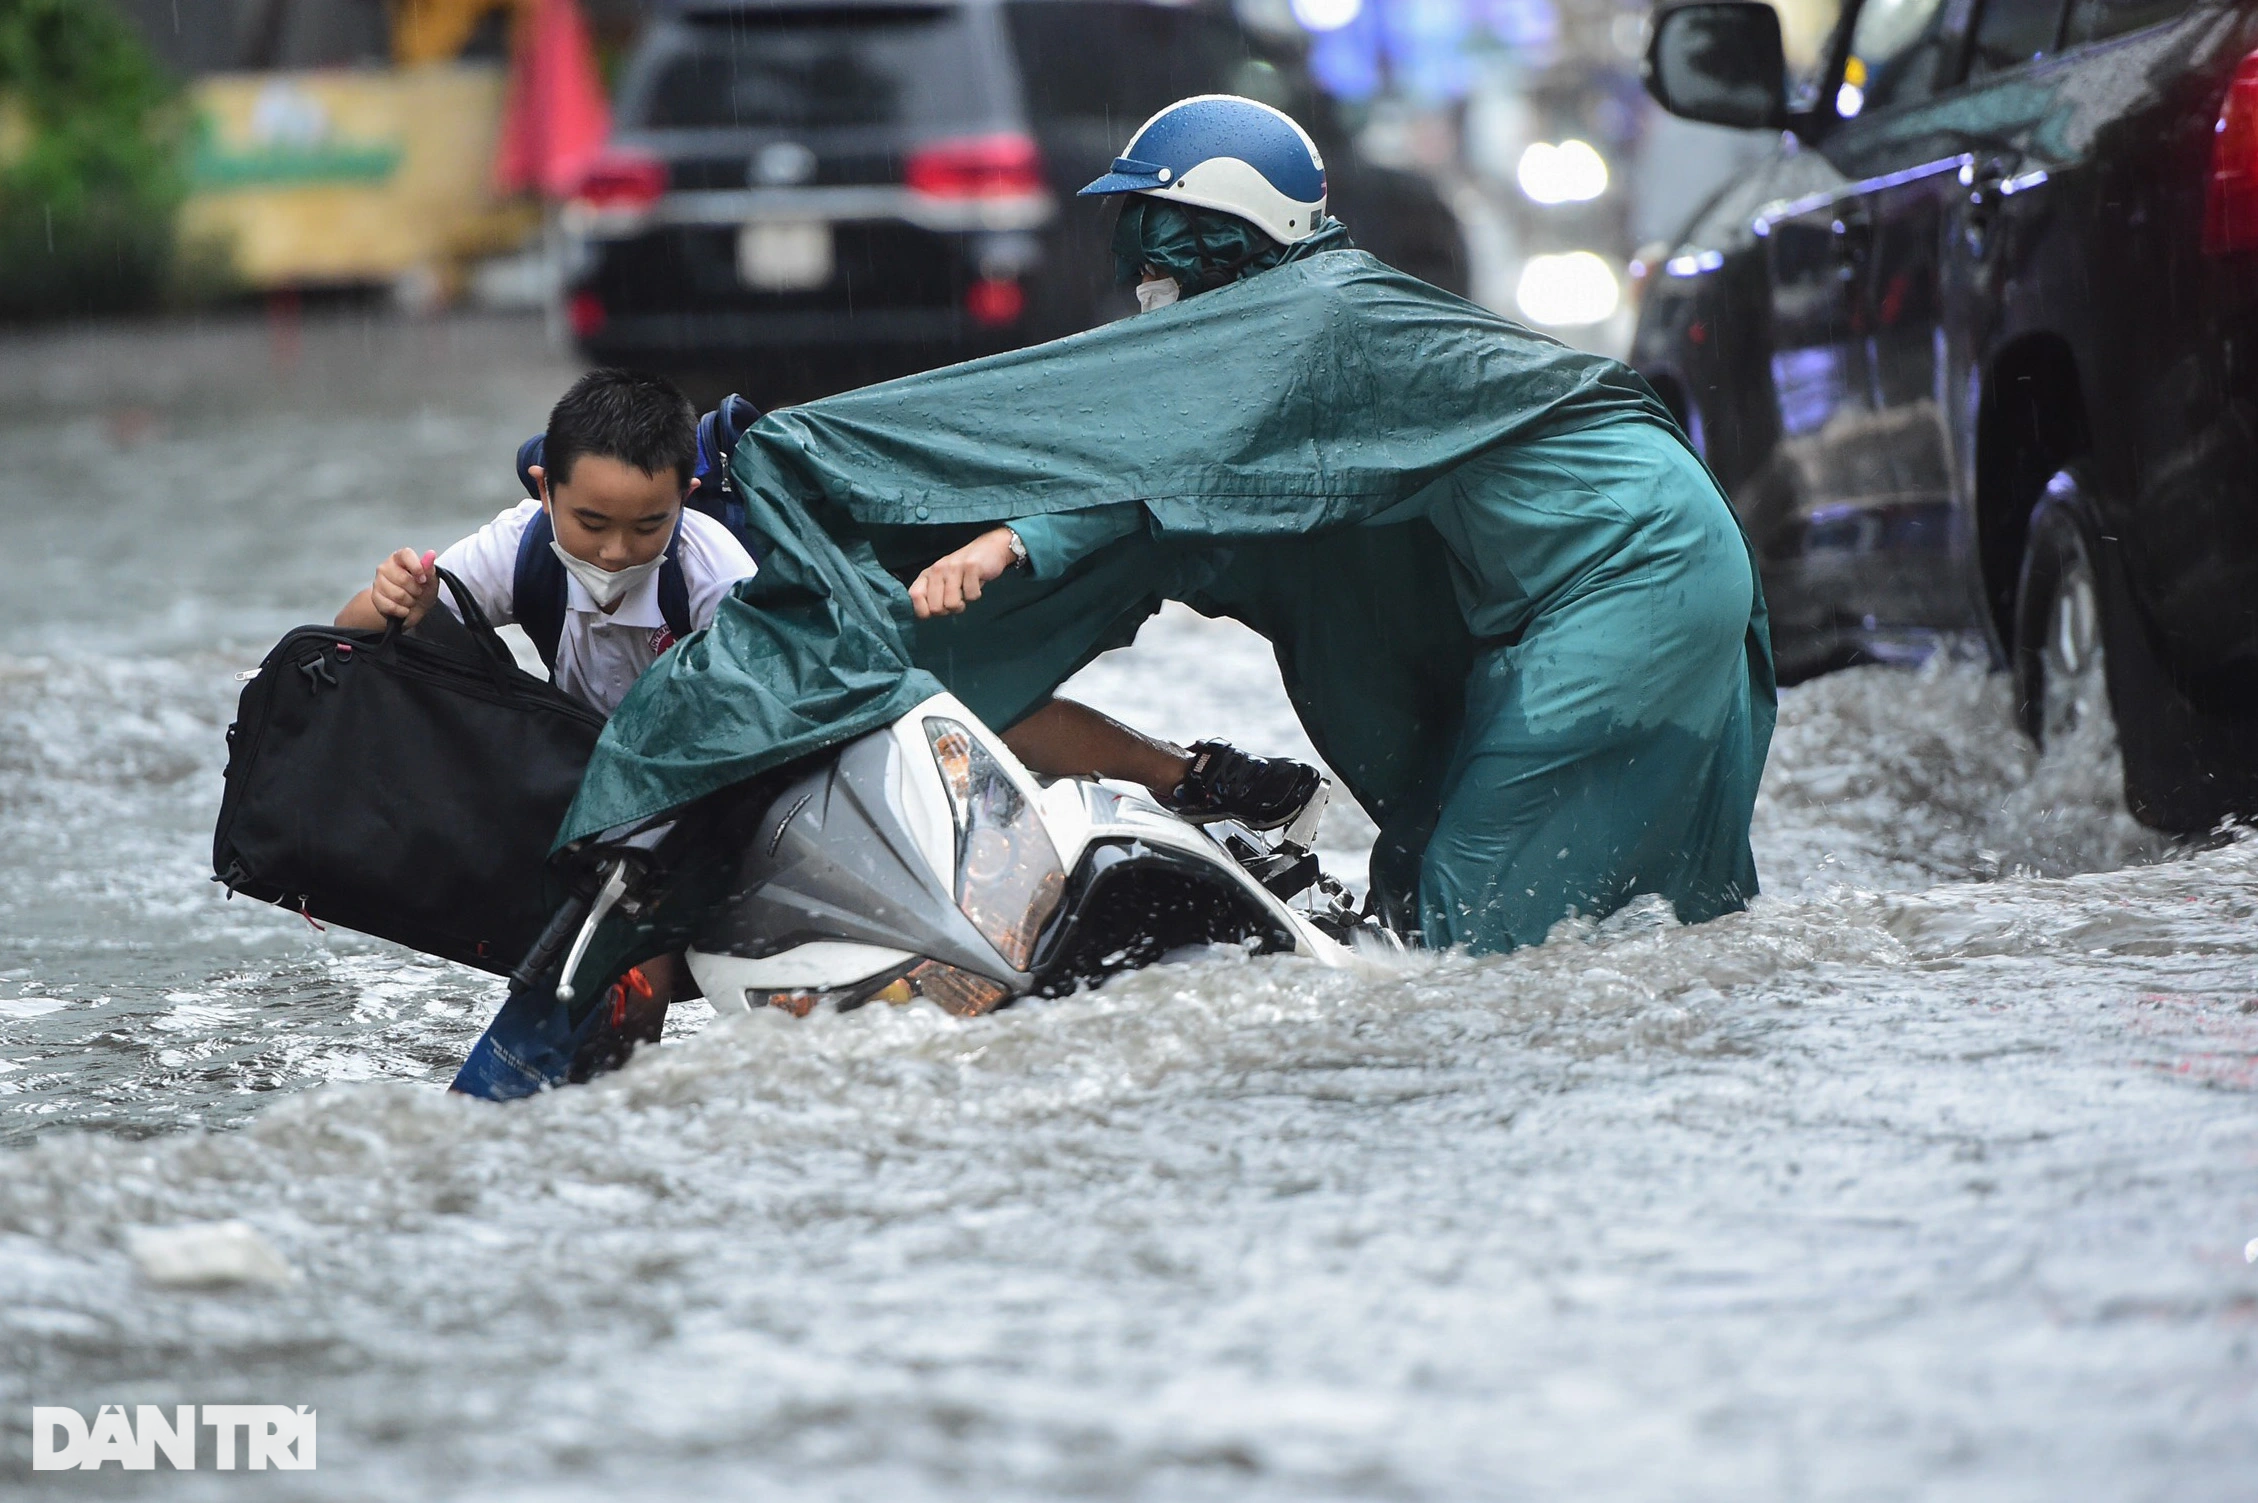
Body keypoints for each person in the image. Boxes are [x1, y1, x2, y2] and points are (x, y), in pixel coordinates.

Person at [883, 94, 1776, 953]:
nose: (1143, 277)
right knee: (1469, 893)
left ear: (1223, 231)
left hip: (1633, 563)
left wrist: (1017, 539)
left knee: (1475, 931)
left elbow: (1174, 466)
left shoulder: (1313, 322)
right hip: (1631, 557)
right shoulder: (1312, 314)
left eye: (1160, 244)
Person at [338, 367, 759, 1081]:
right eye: (591, 522)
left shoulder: (715, 573)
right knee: (424, 631)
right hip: (588, 787)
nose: (615, 551)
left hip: (701, 790)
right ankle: (596, 1089)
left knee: (633, 945)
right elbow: (348, 636)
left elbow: (766, 719)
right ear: (543, 489)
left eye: (647, 524)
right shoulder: (522, 545)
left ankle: (614, 1088)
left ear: (685, 502)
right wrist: (390, 598)